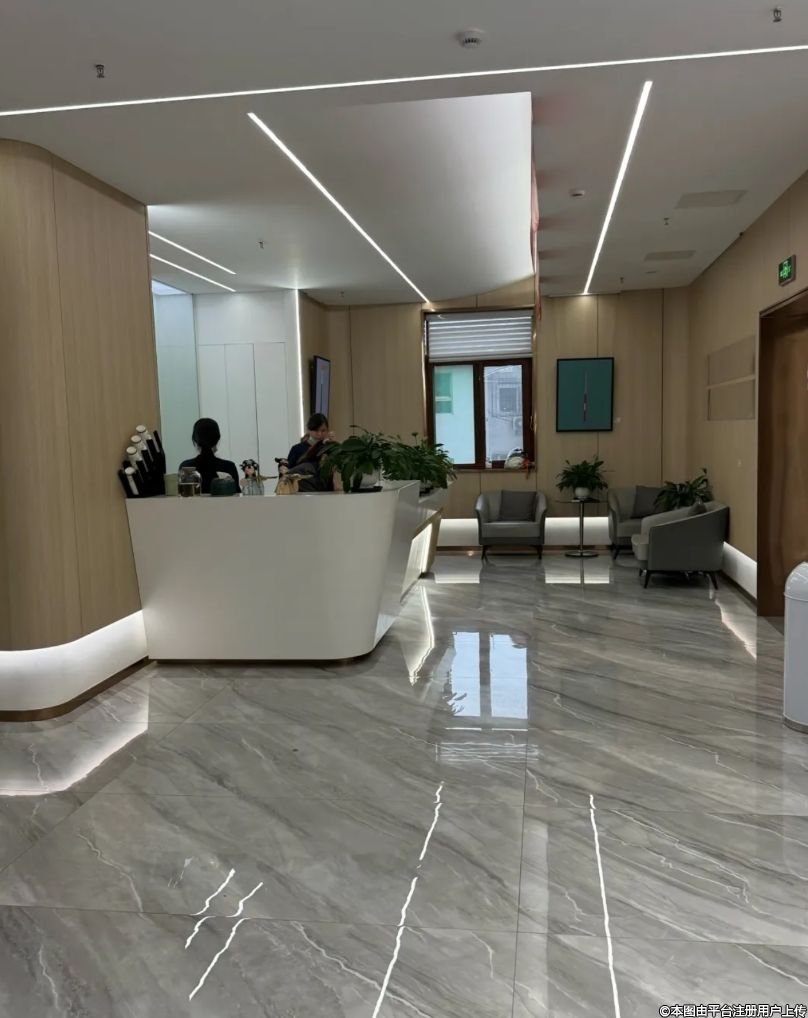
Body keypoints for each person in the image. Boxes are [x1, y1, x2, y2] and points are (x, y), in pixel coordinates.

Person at [179, 418, 239, 494]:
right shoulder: (229, 467)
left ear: (195, 440)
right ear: (218, 440)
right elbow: (237, 497)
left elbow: (185, 498)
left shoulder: (186, 467)